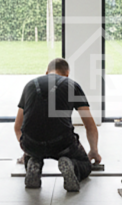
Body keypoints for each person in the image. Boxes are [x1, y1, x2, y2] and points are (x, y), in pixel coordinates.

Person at [14, 58, 101, 192]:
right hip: (62, 144)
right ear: (67, 74)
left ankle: (34, 162)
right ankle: (71, 165)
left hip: (32, 143)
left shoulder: (30, 85)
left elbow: (17, 127)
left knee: (33, 153)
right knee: (85, 165)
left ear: (47, 72)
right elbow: (89, 125)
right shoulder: (72, 85)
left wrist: (26, 148)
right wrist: (94, 151)